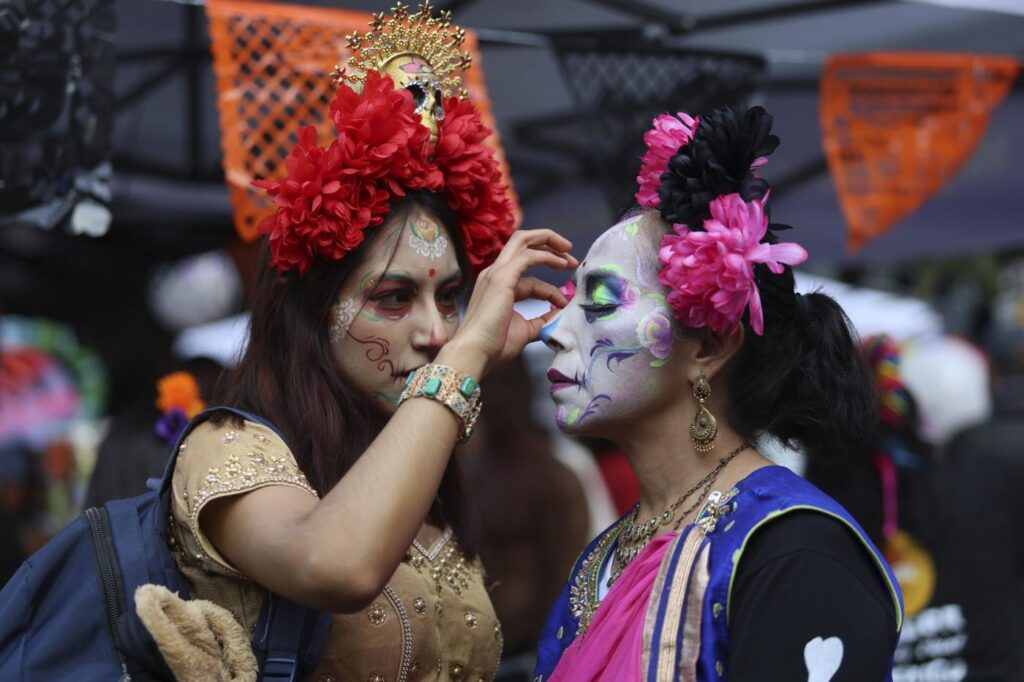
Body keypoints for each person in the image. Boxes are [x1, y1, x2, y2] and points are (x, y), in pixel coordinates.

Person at [151, 5, 576, 680]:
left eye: (449, 298)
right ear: (312, 313)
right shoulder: (229, 450)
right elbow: (336, 565)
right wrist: (466, 359)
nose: (436, 332)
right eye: (393, 297)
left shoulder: (416, 466)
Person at [533, 106, 903, 681]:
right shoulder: (605, 557)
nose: (552, 331)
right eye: (566, 300)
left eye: (600, 303)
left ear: (709, 346)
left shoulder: (793, 553)